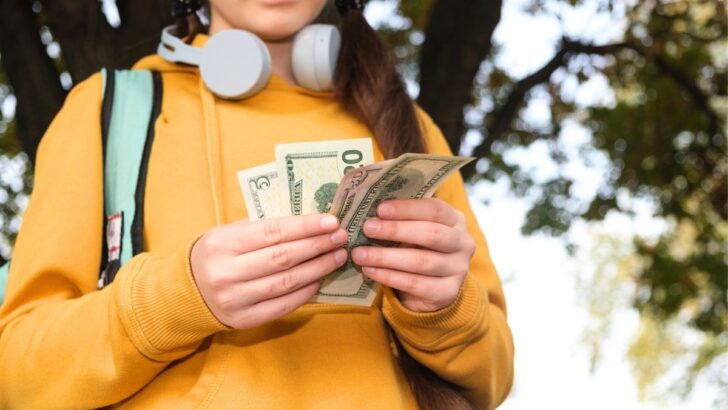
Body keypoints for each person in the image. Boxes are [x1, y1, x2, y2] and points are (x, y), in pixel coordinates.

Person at [0, 0, 514, 408]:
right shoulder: (106, 110)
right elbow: (17, 376)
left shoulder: (412, 128)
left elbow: (493, 376)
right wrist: (179, 297)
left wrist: (443, 310)